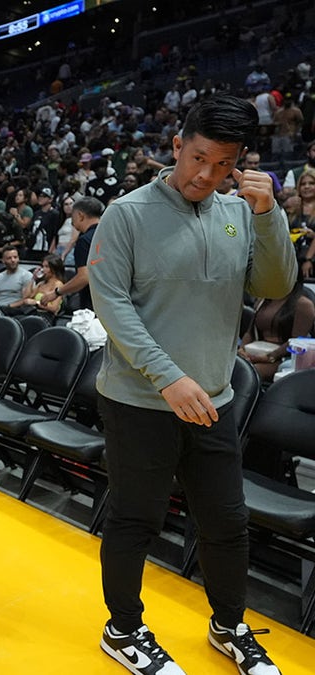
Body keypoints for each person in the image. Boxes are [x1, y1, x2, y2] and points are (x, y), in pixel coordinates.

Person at [90, 94, 292, 675]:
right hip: (139, 402)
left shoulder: (237, 212)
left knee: (227, 520)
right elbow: (113, 305)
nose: (206, 174)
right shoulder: (126, 213)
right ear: (177, 145)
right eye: (198, 157)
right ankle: (122, 628)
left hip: (215, 399)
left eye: (223, 164)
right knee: (136, 519)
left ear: (239, 164)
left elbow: (277, 283)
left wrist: (268, 214)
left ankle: (229, 625)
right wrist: (168, 377)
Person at [239, 270, 315, 383]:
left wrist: (269, 357)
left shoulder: (304, 305)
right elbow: (250, 332)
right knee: (234, 368)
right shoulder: (263, 300)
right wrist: (242, 349)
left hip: (281, 358)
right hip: (255, 353)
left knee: (246, 376)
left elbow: (295, 341)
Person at [48, 196, 103, 312]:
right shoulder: (113, 235)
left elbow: (84, 277)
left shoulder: (84, 240)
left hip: (94, 305)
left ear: (80, 215)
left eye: (73, 215)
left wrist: (57, 292)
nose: (72, 221)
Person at [0, 245, 34, 313]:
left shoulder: (26, 275)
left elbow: (25, 300)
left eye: (15, 257)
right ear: (3, 260)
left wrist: (7, 307)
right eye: (9, 258)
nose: (13, 260)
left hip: (12, 311)